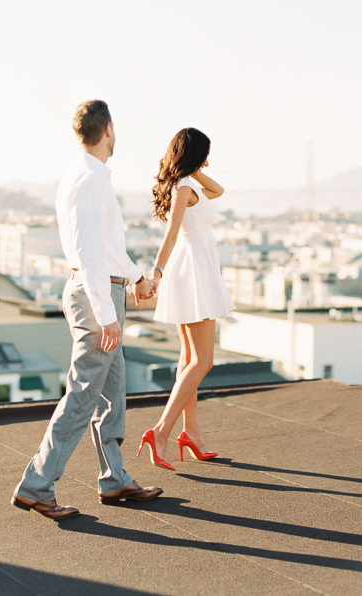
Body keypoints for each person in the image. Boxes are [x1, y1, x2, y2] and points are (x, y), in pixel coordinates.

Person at [12, 100, 163, 520]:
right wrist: (106, 313)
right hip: (96, 295)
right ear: (109, 130)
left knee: (111, 393)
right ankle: (36, 485)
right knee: (83, 395)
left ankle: (114, 480)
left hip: (102, 288)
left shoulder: (86, 177)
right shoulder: (91, 180)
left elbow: (109, 248)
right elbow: (90, 252)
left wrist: (135, 278)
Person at [137, 127, 235, 471]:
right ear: (195, 154)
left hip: (194, 269)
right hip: (191, 271)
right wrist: (156, 274)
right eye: (205, 154)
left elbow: (219, 190)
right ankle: (161, 431)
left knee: (189, 357)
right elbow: (171, 234)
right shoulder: (183, 189)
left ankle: (190, 432)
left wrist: (193, 168)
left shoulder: (190, 184)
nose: (209, 161)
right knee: (203, 361)